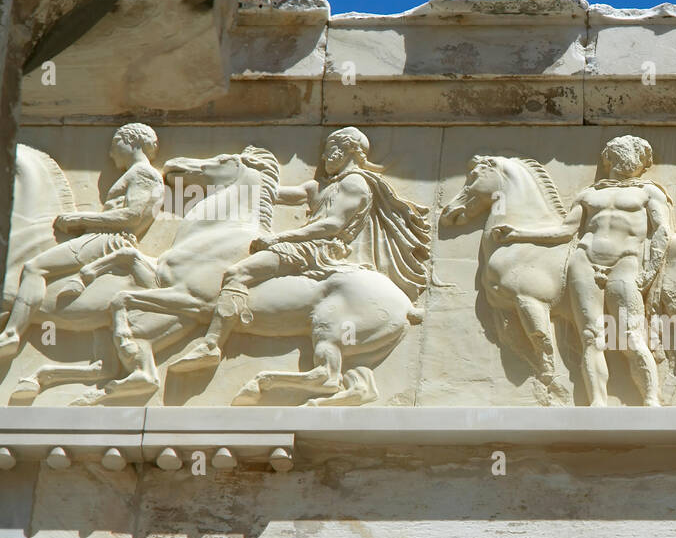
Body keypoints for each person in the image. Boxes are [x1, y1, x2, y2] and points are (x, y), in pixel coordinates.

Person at [170, 126, 434, 372]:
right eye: (325, 150)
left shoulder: (354, 183)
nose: (325, 155)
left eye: (331, 149)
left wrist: (280, 238)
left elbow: (332, 224)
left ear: (349, 151)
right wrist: (243, 176)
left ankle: (211, 345)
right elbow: (274, 193)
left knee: (237, 273)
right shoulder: (321, 186)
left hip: (315, 249)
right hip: (302, 244)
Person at [491, 135, 668, 405]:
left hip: (626, 263)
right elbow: (565, 231)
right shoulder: (589, 194)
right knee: (591, 336)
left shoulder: (648, 192)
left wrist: (650, 272)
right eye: (621, 153)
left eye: (635, 154)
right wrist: (518, 233)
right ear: (609, 158)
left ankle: (652, 400)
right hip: (585, 261)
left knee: (631, 335)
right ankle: (598, 402)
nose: (628, 159)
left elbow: (662, 233)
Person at [0, 122, 164, 358]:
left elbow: (132, 215)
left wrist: (81, 218)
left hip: (109, 239)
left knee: (35, 268)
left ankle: (11, 335)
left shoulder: (143, 174)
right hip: (105, 235)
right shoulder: (139, 174)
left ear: (131, 141)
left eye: (115, 144)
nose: (110, 153)